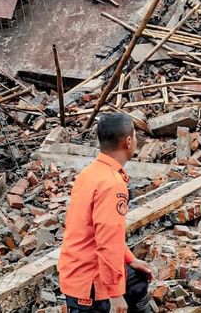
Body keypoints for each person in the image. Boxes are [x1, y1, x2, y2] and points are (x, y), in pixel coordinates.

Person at [58, 113, 152, 313]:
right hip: (89, 283)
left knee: (137, 280)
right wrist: (115, 295)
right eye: (135, 136)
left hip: (75, 270)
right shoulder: (112, 185)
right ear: (128, 142)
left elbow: (101, 234)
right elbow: (107, 241)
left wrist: (129, 258)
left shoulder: (90, 173)